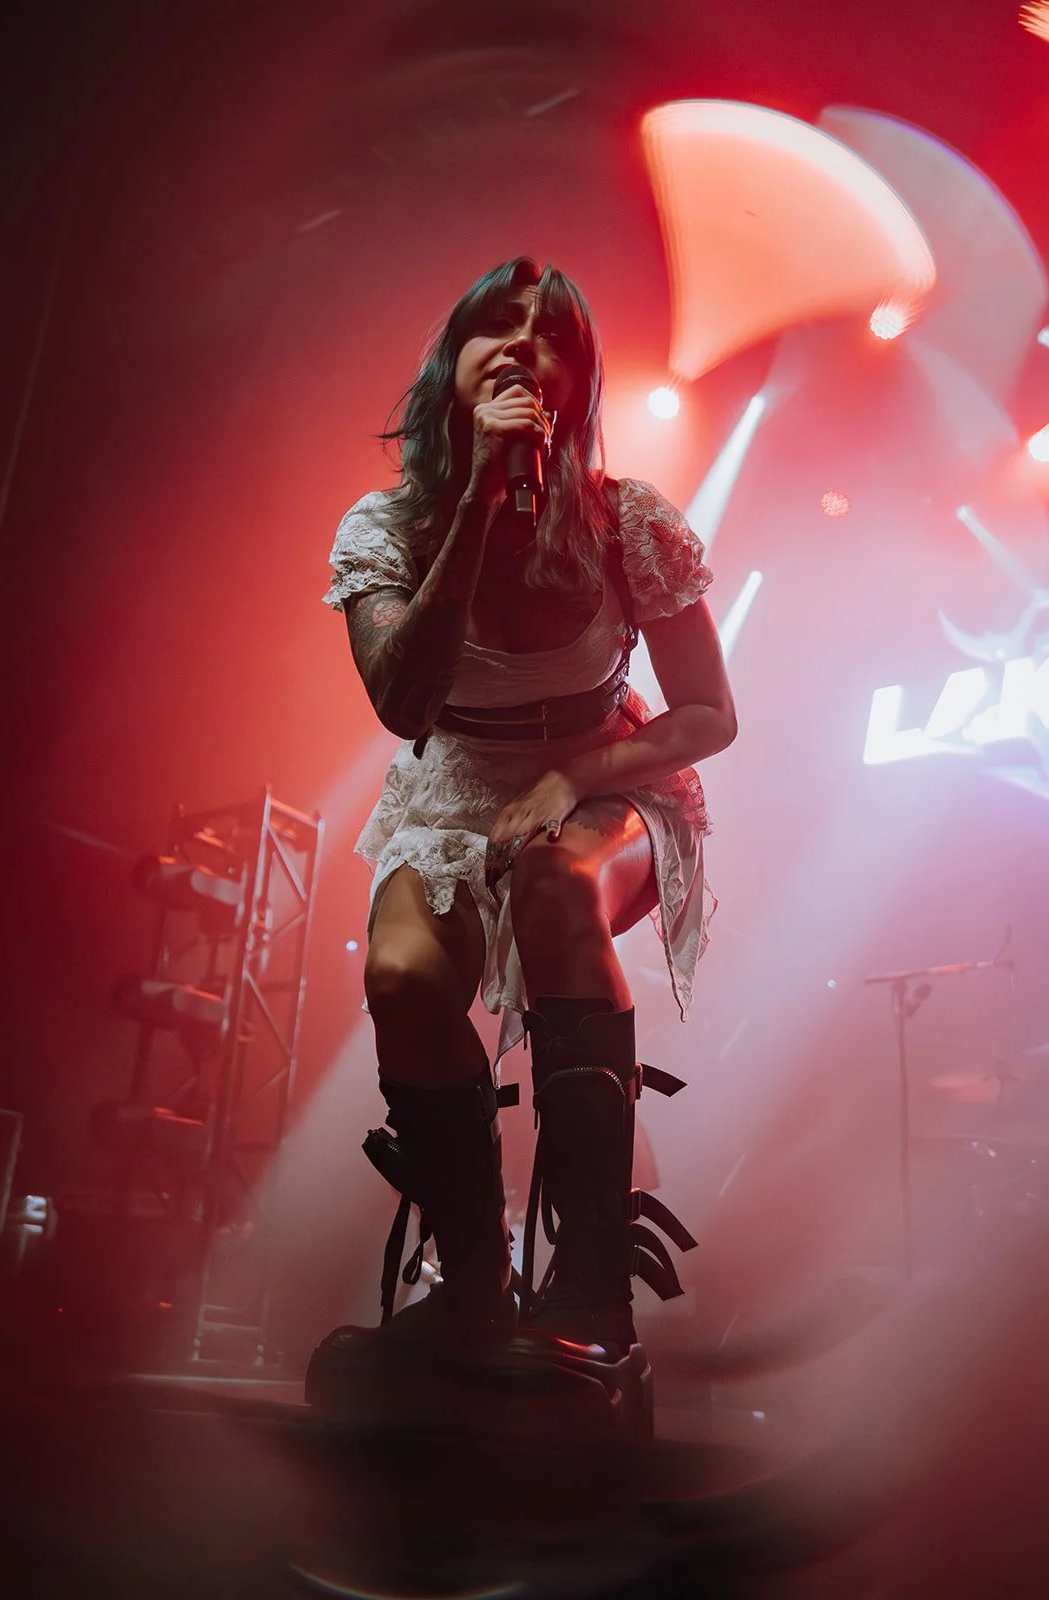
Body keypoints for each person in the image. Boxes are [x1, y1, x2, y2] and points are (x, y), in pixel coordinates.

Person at [313, 256, 736, 1426]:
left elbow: (710, 714)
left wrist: (572, 777)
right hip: (453, 784)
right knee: (401, 976)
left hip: (604, 774)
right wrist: (474, 511)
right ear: (450, 365)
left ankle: (591, 1285)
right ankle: (473, 1283)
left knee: (554, 887)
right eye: (493, 326)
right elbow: (402, 702)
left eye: (548, 334)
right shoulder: (385, 527)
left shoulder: (625, 520)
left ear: (577, 384)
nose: (517, 346)